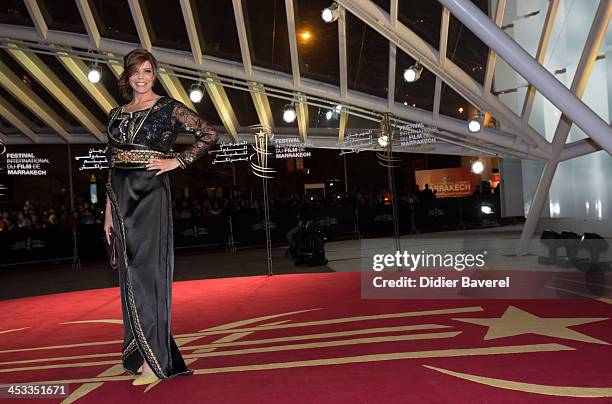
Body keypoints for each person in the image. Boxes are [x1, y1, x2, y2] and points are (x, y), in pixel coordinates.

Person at [103, 49, 219, 386]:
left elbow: (209, 133)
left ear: (155, 75)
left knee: (148, 275)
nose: (141, 77)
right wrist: (108, 211)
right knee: (128, 277)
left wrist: (176, 162)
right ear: (126, 77)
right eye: (136, 71)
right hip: (120, 198)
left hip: (150, 194)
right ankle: (140, 354)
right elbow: (111, 164)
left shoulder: (168, 108)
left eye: (148, 71)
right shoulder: (115, 114)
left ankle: (158, 360)